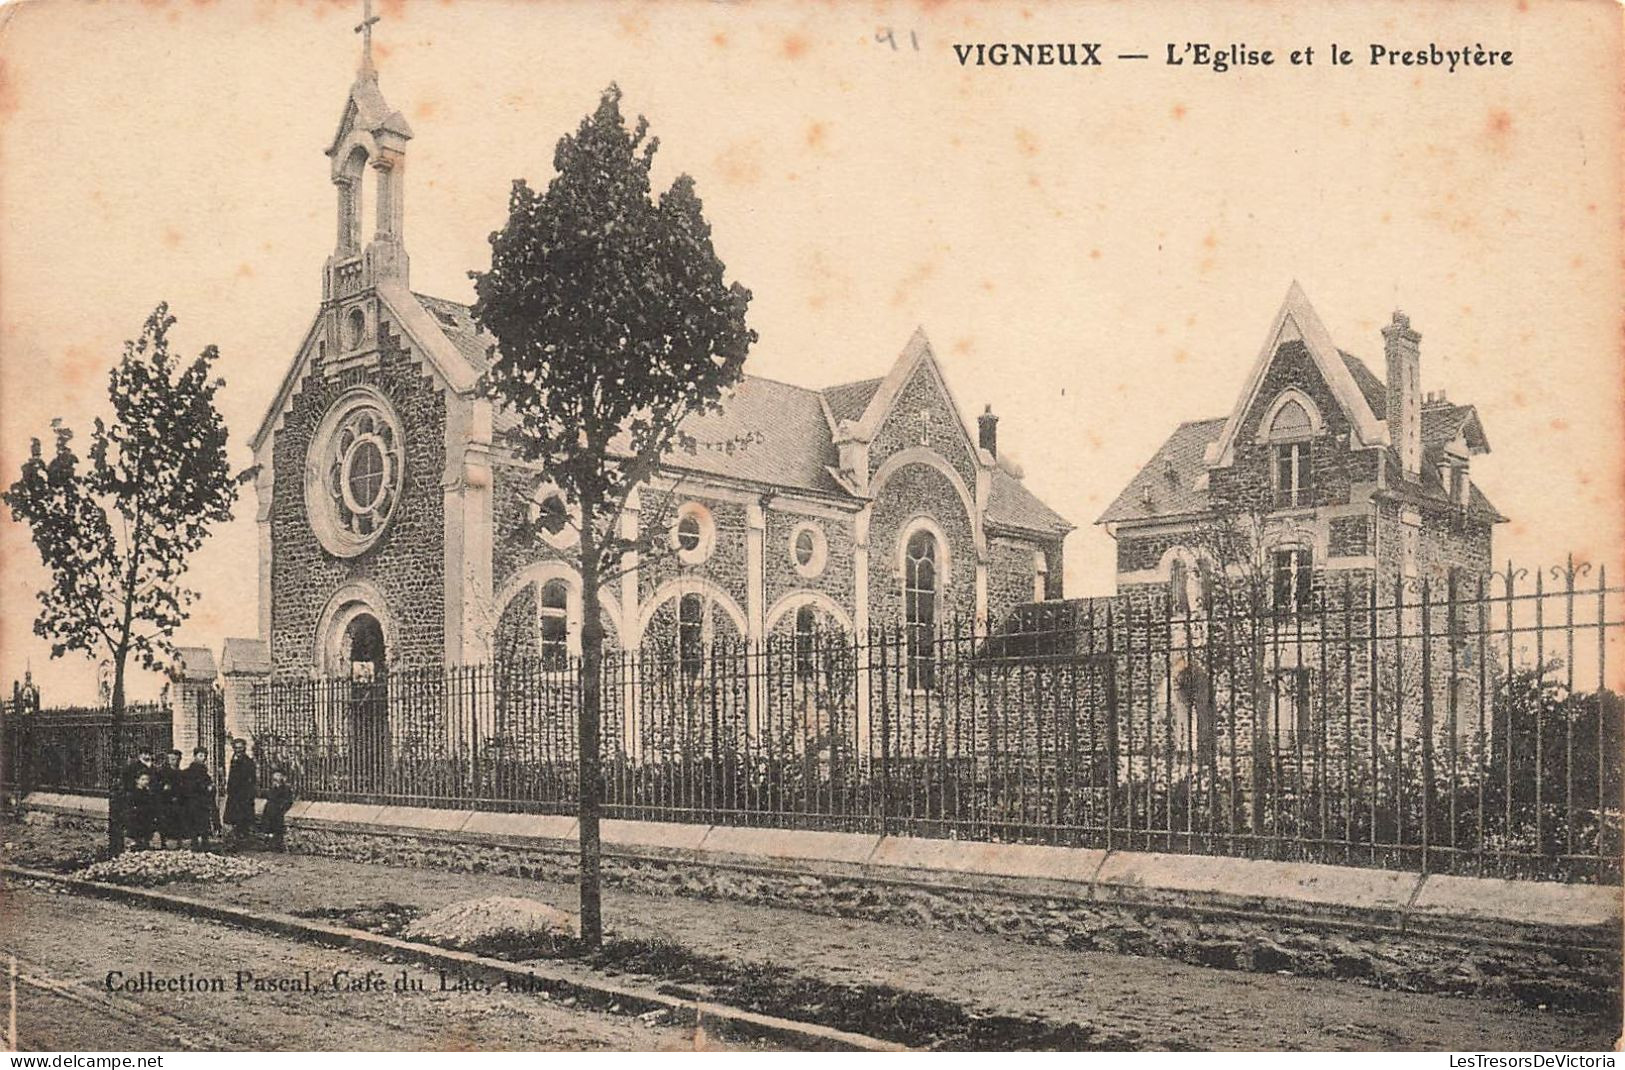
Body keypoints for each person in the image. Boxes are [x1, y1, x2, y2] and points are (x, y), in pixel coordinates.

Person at [112, 745, 155, 852]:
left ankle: (145, 843)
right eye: (144, 753)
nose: (147, 755)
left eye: (149, 753)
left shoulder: (152, 767)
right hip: (137, 796)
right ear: (140, 754)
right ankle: (136, 844)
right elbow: (126, 782)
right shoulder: (132, 767)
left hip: (148, 796)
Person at [179, 747, 220, 849]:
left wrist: (211, 787)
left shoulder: (203, 771)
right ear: (195, 756)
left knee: (204, 821)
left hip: (203, 801)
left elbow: (207, 782)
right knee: (194, 821)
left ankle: (204, 842)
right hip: (194, 800)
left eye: (204, 756)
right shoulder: (191, 771)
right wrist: (205, 787)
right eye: (200, 755)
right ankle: (195, 842)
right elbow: (191, 785)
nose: (203, 758)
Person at [223, 738, 257, 845]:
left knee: (243, 817)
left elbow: (251, 779)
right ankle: (235, 839)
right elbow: (232, 777)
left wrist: (249, 793)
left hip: (244, 794)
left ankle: (243, 838)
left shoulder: (248, 762)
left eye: (240, 748)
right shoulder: (234, 760)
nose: (238, 750)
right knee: (234, 817)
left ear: (244, 748)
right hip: (234, 794)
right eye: (236, 748)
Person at [156, 749, 184, 848]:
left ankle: (178, 842)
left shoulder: (181, 773)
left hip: (178, 801)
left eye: (177, 759)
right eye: (172, 759)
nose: (174, 761)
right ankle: (164, 842)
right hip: (165, 801)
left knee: (178, 821)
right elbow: (156, 786)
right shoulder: (162, 772)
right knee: (164, 821)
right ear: (168, 760)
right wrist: (163, 787)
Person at [261, 769, 295, 852]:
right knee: (267, 822)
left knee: (276, 825)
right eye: (274, 780)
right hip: (270, 810)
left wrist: (281, 806)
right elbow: (268, 796)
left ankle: (275, 843)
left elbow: (288, 801)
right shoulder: (272, 789)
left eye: (277, 780)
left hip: (278, 810)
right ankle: (268, 841)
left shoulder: (285, 788)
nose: (275, 782)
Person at [126, 771, 160, 850]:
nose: (145, 781)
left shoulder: (148, 792)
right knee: (138, 834)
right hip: (137, 816)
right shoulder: (133, 792)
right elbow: (132, 805)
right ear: (137, 781)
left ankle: (145, 844)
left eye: (147, 779)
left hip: (147, 816)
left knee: (147, 833)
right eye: (143, 779)